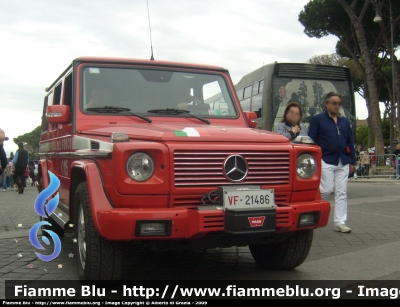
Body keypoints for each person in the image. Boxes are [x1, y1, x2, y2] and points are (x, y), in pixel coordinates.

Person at [308, 92, 356, 233]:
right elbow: (312, 139)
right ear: (326, 104)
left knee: (342, 192)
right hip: (326, 160)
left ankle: (340, 222)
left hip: (343, 160)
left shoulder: (344, 121)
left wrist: (352, 161)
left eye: (339, 104)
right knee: (326, 189)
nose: (337, 106)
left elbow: (350, 141)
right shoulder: (318, 119)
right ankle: (310, 208)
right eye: (334, 103)